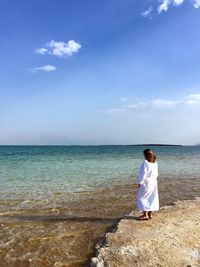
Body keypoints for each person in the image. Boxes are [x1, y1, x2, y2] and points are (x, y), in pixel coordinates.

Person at [136, 149, 159, 220]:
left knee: (141, 197)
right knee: (152, 197)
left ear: (145, 155)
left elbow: (143, 174)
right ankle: (150, 214)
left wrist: (140, 182)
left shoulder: (145, 163)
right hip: (153, 182)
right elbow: (156, 173)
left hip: (146, 182)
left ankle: (145, 215)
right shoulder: (155, 162)